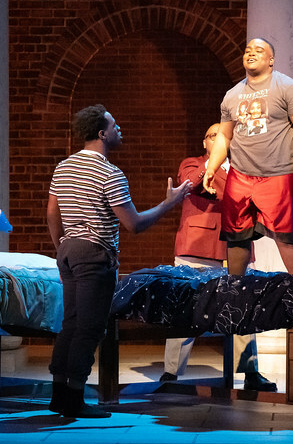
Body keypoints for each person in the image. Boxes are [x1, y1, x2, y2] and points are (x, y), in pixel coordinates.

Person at [47, 104, 192, 418]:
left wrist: (62, 246)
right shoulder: (109, 173)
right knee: (89, 328)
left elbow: (51, 214)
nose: (119, 129)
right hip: (94, 256)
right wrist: (170, 202)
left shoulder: (63, 167)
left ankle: (59, 393)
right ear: (102, 133)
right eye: (115, 126)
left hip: (68, 252)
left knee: (70, 324)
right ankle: (73, 399)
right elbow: (134, 224)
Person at [202, 36, 293, 392]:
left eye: (258, 50)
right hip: (241, 174)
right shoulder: (231, 95)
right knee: (235, 235)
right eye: (247, 50)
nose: (250, 53)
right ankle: (234, 286)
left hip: (279, 173)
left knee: (285, 234)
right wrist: (212, 167)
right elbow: (225, 136)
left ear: (271, 59)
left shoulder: (288, 88)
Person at [160, 124, 268, 390]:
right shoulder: (192, 164)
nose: (219, 139)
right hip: (197, 247)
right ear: (205, 143)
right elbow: (195, 186)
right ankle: (171, 374)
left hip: (237, 245)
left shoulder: (245, 167)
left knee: (244, 306)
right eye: (213, 136)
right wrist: (216, 168)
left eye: (224, 136)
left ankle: (250, 371)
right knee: (186, 306)